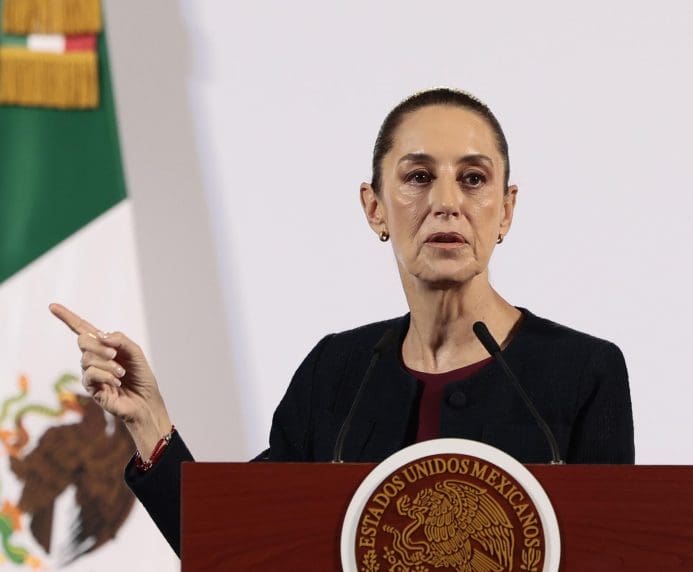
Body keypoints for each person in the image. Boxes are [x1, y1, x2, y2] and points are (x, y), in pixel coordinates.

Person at [50, 88, 634, 557]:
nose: (447, 202)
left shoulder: (582, 371)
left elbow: (619, 553)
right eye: (418, 176)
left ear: (505, 211)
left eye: (473, 179)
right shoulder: (337, 371)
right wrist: (148, 420)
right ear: (375, 208)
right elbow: (234, 544)